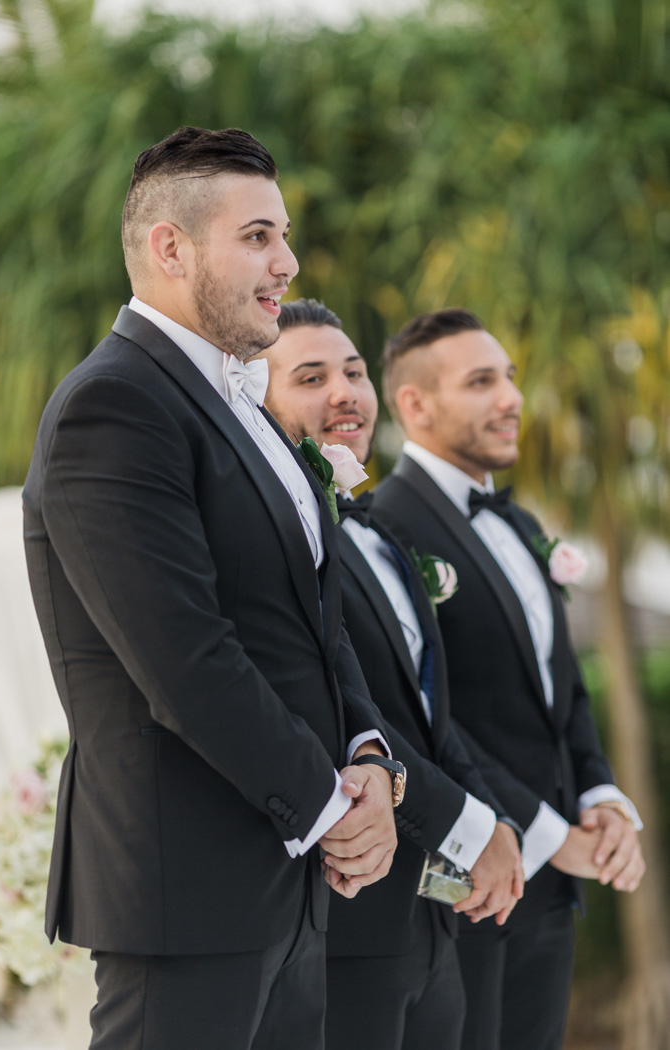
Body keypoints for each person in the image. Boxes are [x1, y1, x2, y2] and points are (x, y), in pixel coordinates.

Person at [22, 128, 398, 1050]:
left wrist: (372, 758)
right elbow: (182, 656)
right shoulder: (112, 406)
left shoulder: (248, 413)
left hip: (289, 883)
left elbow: (315, 622)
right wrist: (329, 808)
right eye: (259, 236)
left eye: (284, 236)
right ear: (170, 248)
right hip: (187, 891)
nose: (289, 262)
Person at [372, 307, 646, 1050]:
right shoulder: (384, 525)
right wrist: (548, 832)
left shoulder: (523, 523)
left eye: (512, 378)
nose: (512, 399)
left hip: (555, 889)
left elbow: (564, 687)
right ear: (416, 405)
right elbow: (426, 713)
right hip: (465, 886)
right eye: (481, 381)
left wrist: (602, 797)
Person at [260, 298, 523, 1050]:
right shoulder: (280, 541)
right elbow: (347, 714)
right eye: (311, 376)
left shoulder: (377, 528)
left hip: (432, 917)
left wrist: (492, 820)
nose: (345, 391)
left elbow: (431, 714)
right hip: (347, 923)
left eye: (352, 371)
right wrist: (472, 829)